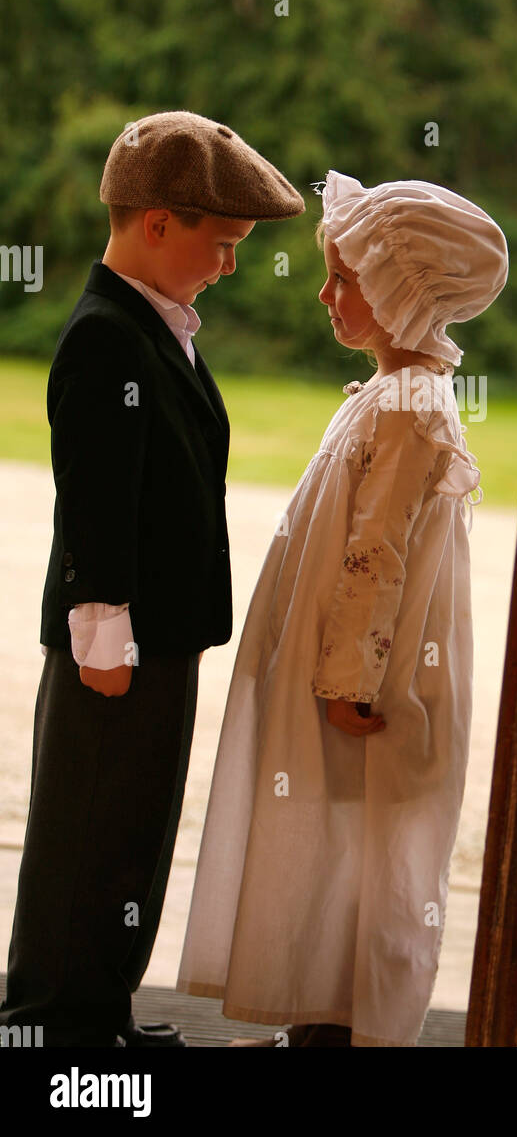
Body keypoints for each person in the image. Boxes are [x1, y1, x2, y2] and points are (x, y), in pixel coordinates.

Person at [176, 170, 508, 1047]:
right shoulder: (389, 394)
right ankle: (314, 1000)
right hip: (339, 662)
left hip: (364, 674)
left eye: (345, 279)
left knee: (354, 834)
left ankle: (339, 1015)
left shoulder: (409, 408)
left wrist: (345, 677)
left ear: (404, 293)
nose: (325, 294)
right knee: (326, 830)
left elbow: (379, 556)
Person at [0, 111, 304, 1047]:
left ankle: (97, 1013)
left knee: (129, 837)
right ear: (157, 224)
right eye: (222, 243)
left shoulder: (157, 325)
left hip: (158, 636)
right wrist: (103, 636)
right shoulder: (106, 336)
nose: (231, 264)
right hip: (116, 640)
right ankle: (48, 1023)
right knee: (82, 835)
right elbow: (96, 501)